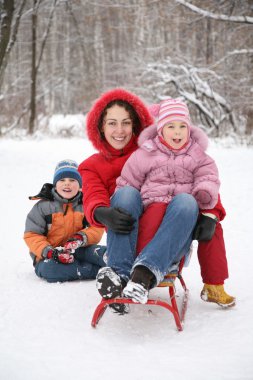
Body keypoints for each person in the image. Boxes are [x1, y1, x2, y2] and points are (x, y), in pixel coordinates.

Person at [79, 88, 235, 310]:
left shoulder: (154, 149)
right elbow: (93, 193)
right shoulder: (110, 162)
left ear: (135, 125)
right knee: (125, 193)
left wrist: (211, 213)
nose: (120, 130)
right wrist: (100, 211)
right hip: (128, 237)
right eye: (112, 123)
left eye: (126, 123)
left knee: (186, 201)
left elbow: (204, 180)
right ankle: (119, 276)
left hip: (170, 234)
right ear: (100, 127)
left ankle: (143, 274)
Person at [24, 159, 106, 283]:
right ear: (55, 185)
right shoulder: (43, 207)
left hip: (79, 249)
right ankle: (97, 271)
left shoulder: (86, 205)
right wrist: (50, 252)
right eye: (62, 180)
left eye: (72, 180)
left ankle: (123, 265)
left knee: (102, 253)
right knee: (50, 269)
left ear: (80, 186)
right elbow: (32, 235)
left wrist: (80, 238)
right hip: (49, 256)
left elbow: (96, 228)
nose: (67, 184)